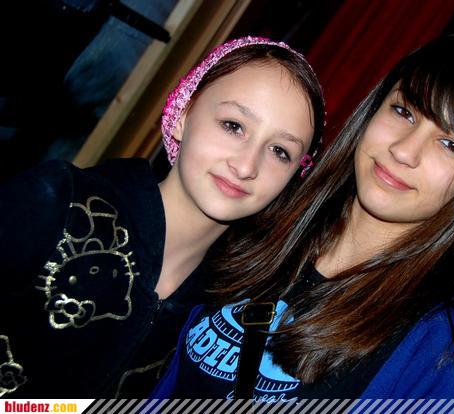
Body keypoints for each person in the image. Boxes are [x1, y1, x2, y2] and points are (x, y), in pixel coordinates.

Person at [152, 32, 454, 400]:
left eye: (450, 145)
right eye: (404, 112)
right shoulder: (259, 227)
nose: (404, 151)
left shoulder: (444, 349)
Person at [0, 36, 325, 397]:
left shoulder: (226, 313)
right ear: (183, 114)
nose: (246, 166)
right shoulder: (58, 201)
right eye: (233, 125)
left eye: (280, 151)